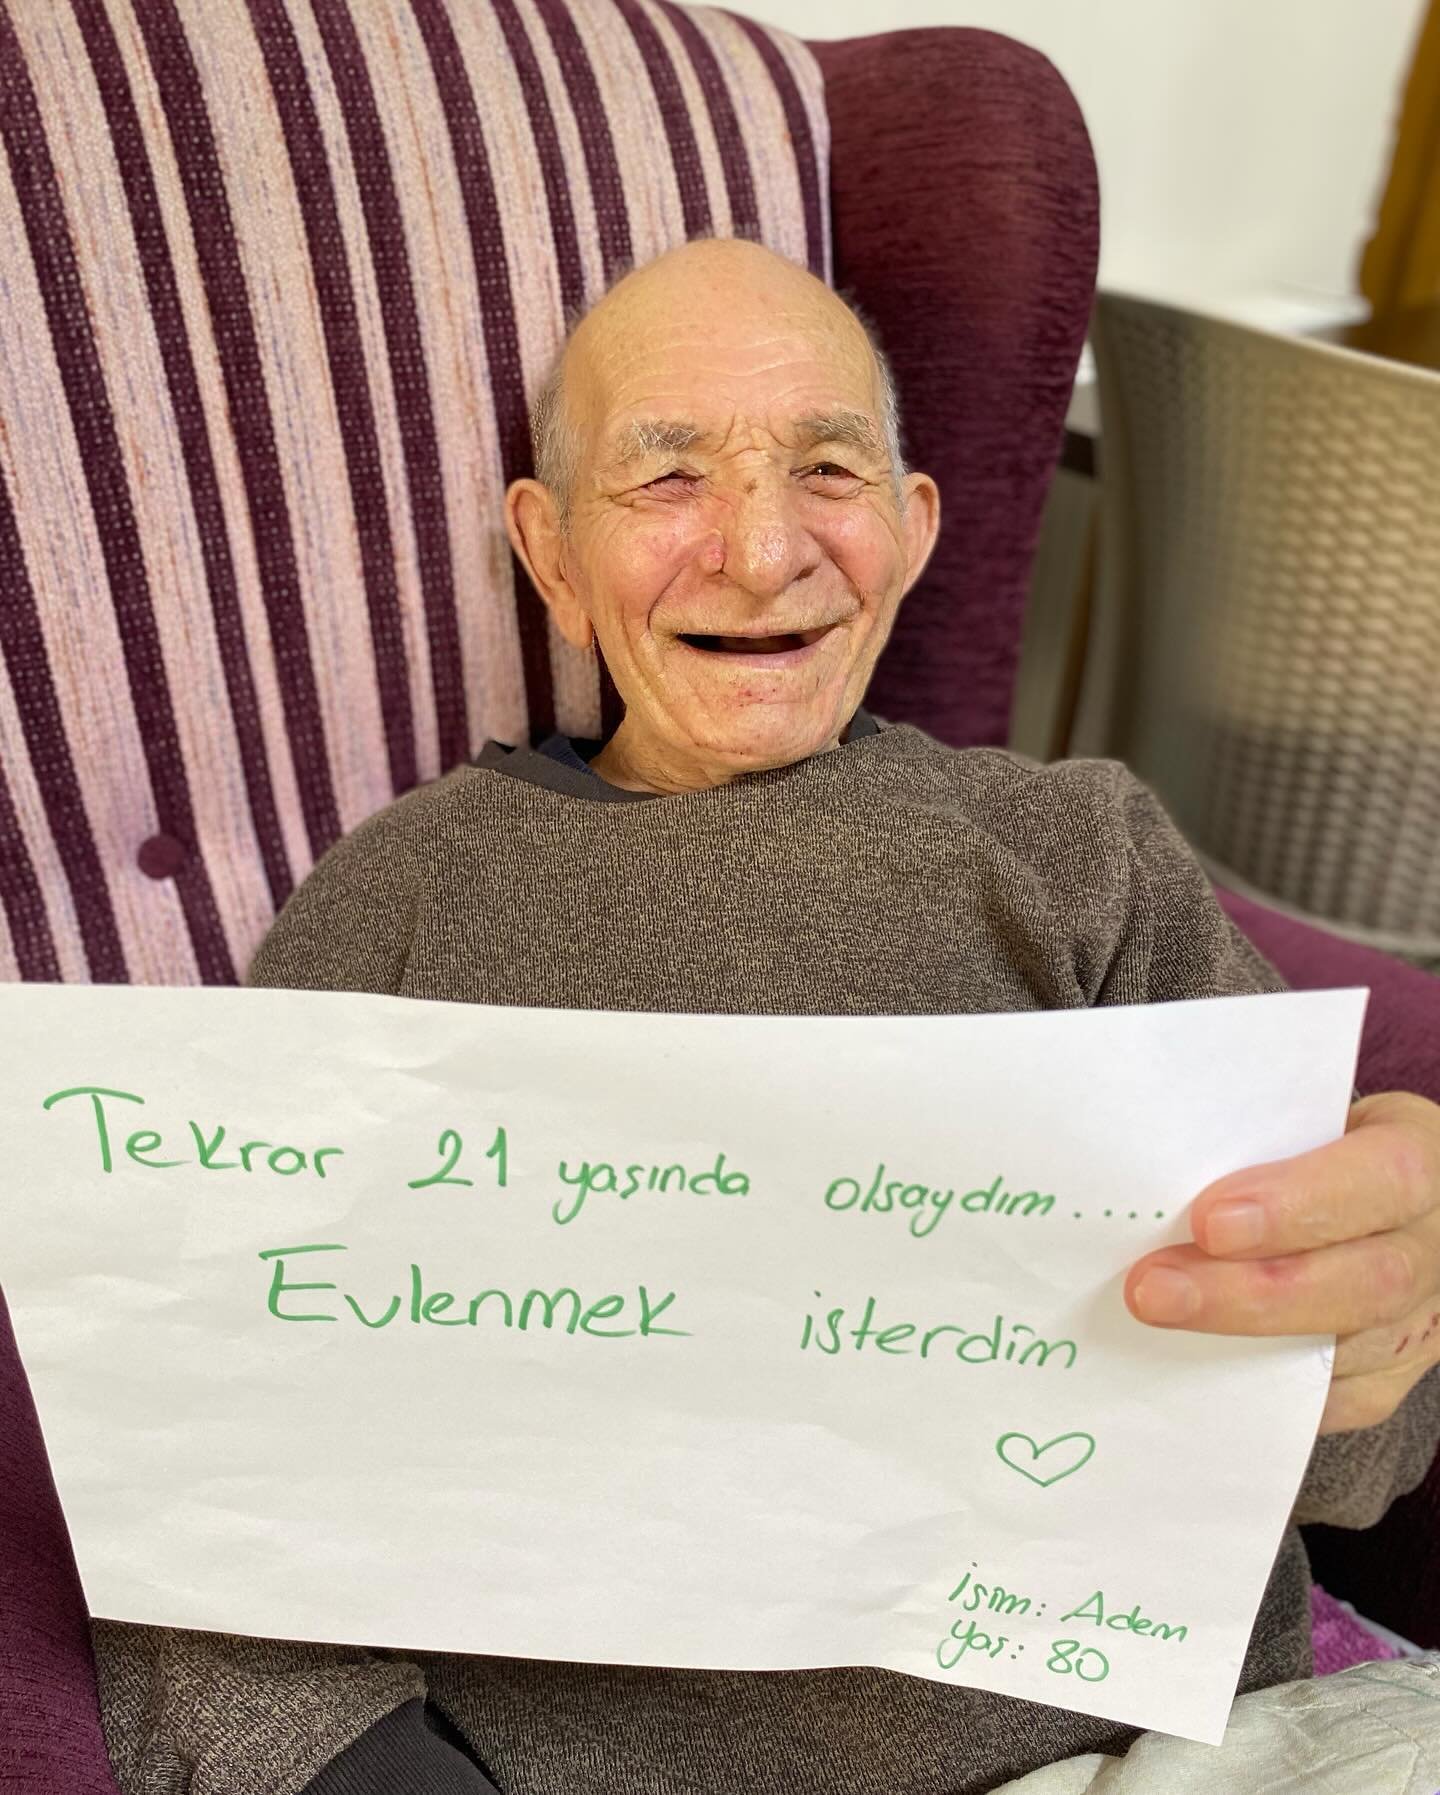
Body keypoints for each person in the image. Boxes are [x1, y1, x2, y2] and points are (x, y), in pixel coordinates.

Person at [94, 237, 1440, 1795]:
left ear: (910, 532)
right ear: (551, 555)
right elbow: (210, 1459)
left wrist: (1378, 1311)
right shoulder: (398, 904)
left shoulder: (1084, 851)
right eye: (667, 477)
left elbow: (1364, 1448)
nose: (758, 550)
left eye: (827, 469)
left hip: (1174, 1749)